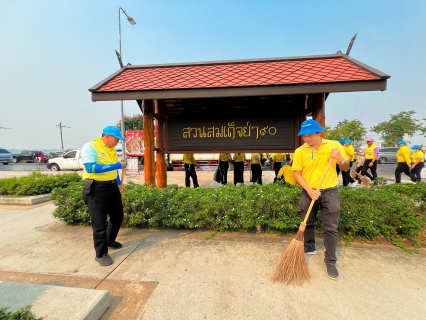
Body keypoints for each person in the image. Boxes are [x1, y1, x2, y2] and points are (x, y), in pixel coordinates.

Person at [292, 119, 349, 280]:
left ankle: (330, 261)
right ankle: (309, 247)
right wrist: (309, 190)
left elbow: (346, 167)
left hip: (329, 191)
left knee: (331, 227)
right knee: (307, 222)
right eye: (304, 136)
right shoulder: (300, 151)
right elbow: (297, 173)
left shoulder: (333, 145)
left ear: (319, 133)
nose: (307, 139)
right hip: (309, 192)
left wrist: (339, 158)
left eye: (310, 135)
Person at [81, 126, 127, 267]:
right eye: (116, 139)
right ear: (107, 136)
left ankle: (109, 240)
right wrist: (117, 165)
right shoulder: (90, 147)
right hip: (96, 188)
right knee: (100, 223)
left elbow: (114, 172)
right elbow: (91, 168)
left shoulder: (111, 149)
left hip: (112, 186)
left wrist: (118, 183)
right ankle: (101, 254)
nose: (117, 142)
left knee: (117, 216)